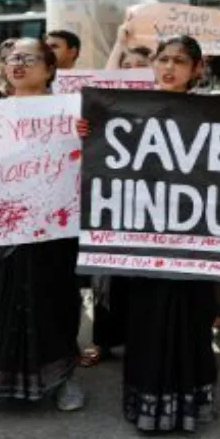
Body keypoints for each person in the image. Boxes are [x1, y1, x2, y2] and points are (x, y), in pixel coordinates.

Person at [77, 35, 220, 433]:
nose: (169, 67)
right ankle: (147, 403)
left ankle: (187, 405)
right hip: (143, 244)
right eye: (163, 59)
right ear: (153, 64)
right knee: (146, 323)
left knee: (191, 322)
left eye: (179, 61)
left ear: (197, 69)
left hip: (193, 244)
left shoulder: (218, 112)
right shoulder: (126, 111)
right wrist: (89, 131)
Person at [0, 38, 85, 411]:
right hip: (2, 227)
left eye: (28, 58)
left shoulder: (71, 112)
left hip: (55, 226)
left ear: (50, 68)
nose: (17, 64)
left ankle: (64, 378)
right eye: (11, 58)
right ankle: (5, 379)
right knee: (3, 298)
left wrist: (88, 135)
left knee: (55, 298)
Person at [80, 35, 152, 369]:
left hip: (153, 204)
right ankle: (104, 341)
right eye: (127, 68)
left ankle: (140, 339)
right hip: (111, 202)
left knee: (143, 279)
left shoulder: (168, 106)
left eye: (141, 67)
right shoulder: (104, 108)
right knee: (108, 276)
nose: (134, 73)